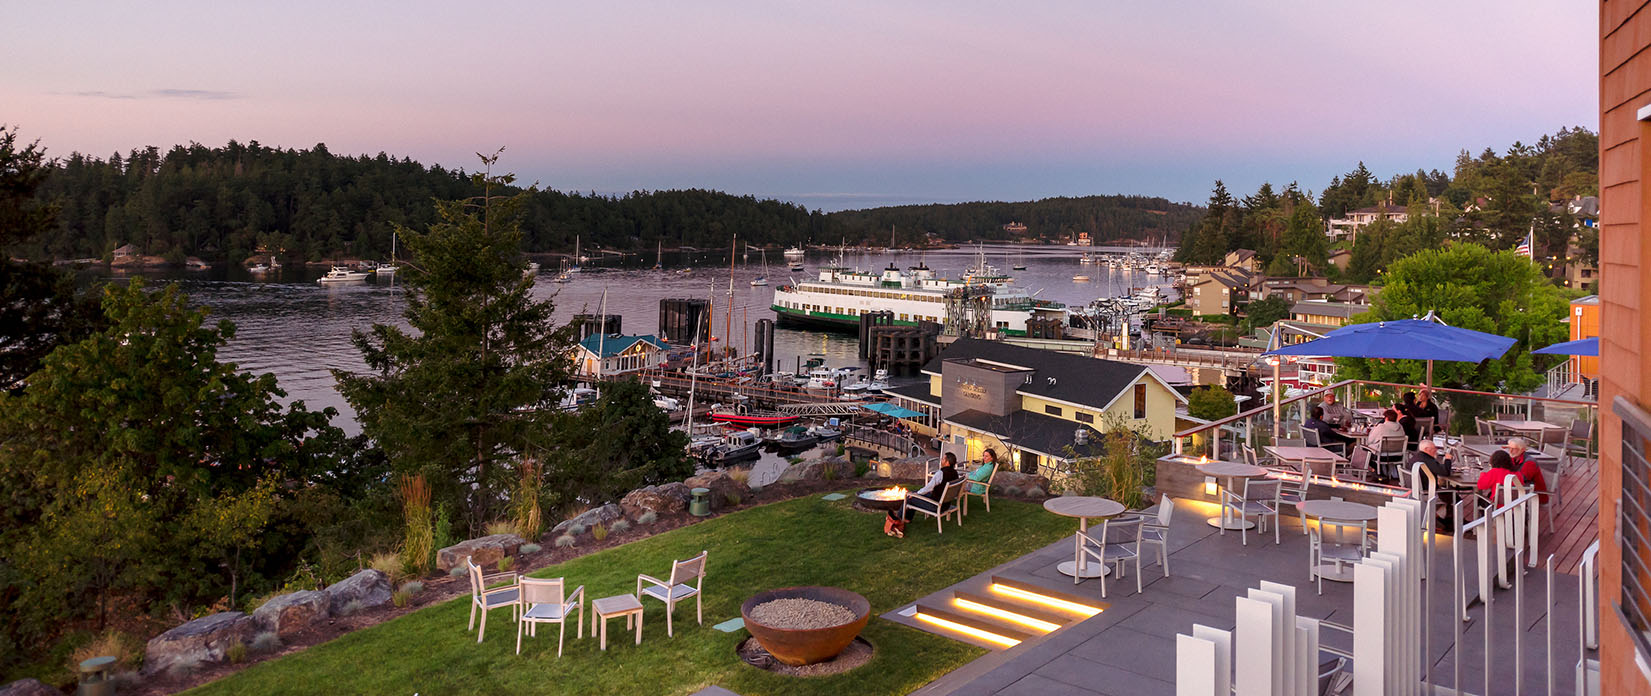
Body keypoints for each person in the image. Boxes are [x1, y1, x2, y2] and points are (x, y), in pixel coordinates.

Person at [885, 451, 960, 537]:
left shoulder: (941, 473)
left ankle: (898, 521)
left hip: (936, 505)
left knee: (909, 497)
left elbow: (929, 487)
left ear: (947, 462)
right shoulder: (955, 473)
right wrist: (916, 493)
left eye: (943, 459)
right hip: (946, 504)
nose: (941, 460)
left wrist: (917, 493)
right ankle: (907, 518)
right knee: (912, 494)